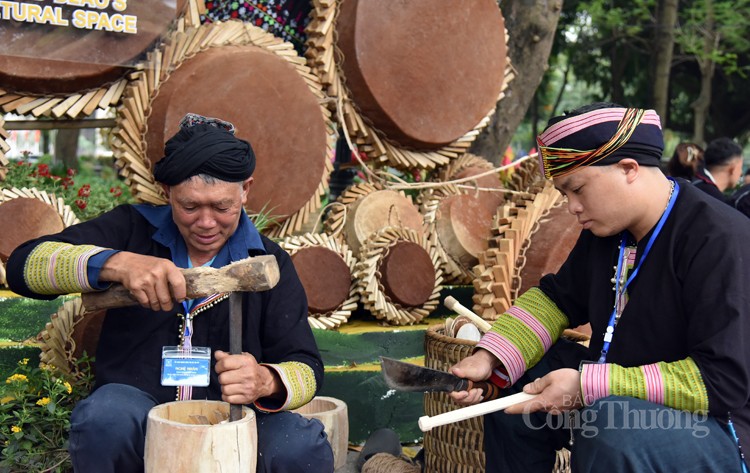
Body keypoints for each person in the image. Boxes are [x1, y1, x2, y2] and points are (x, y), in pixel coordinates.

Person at [6, 113, 334, 473]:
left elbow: (307, 367)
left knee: (299, 445)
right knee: (104, 419)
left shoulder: (269, 262)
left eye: (222, 207)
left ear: (246, 190)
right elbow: (25, 266)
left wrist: (265, 380)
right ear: (167, 194)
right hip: (139, 413)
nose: (206, 222)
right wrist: (118, 263)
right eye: (189, 206)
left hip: (237, 423)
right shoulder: (132, 229)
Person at [448, 103, 750, 472]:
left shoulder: (719, 238)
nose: (572, 208)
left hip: (717, 428)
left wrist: (589, 386)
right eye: (564, 195)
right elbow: (557, 299)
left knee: (610, 426)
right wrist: (490, 359)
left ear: (628, 169)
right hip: (619, 388)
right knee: (520, 382)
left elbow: (721, 383)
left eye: (577, 189)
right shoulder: (609, 232)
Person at [693, 136, 744, 203]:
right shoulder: (713, 198)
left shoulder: (694, 181)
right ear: (733, 169)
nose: (741, 173)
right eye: (740, 168)